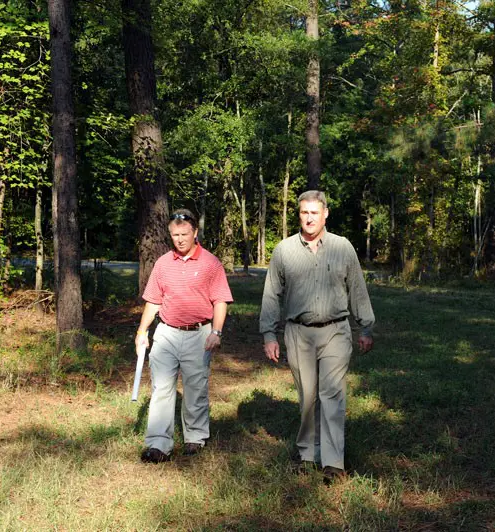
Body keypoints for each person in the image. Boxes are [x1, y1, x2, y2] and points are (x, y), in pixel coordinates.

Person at [259, 190, 375, 480]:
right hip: (298, 333)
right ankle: (307, 453)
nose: (309, 218)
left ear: (325, 214)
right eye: (304, 213)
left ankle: (333, 463)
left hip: (336, 330)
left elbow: (357, 289)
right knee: (308, 396)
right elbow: (271, 293)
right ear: (299, 215)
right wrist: (268, 335)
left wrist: (366, 326)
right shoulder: (284, 250)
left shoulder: (342, 247)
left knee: (332, 395)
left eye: (314, 212)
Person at [136, 209, 233, 463]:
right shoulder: (162, 264)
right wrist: (142, 330)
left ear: (195, 233)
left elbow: (220, 300)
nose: (179, 239)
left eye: (184, 234)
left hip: (198, 334)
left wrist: (216, 331)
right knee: (161, 388)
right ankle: (158, 444)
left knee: (195, 388)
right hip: (166, 332)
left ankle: (195, 438)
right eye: (175, 234)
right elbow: (153, 301)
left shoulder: (211, 263)